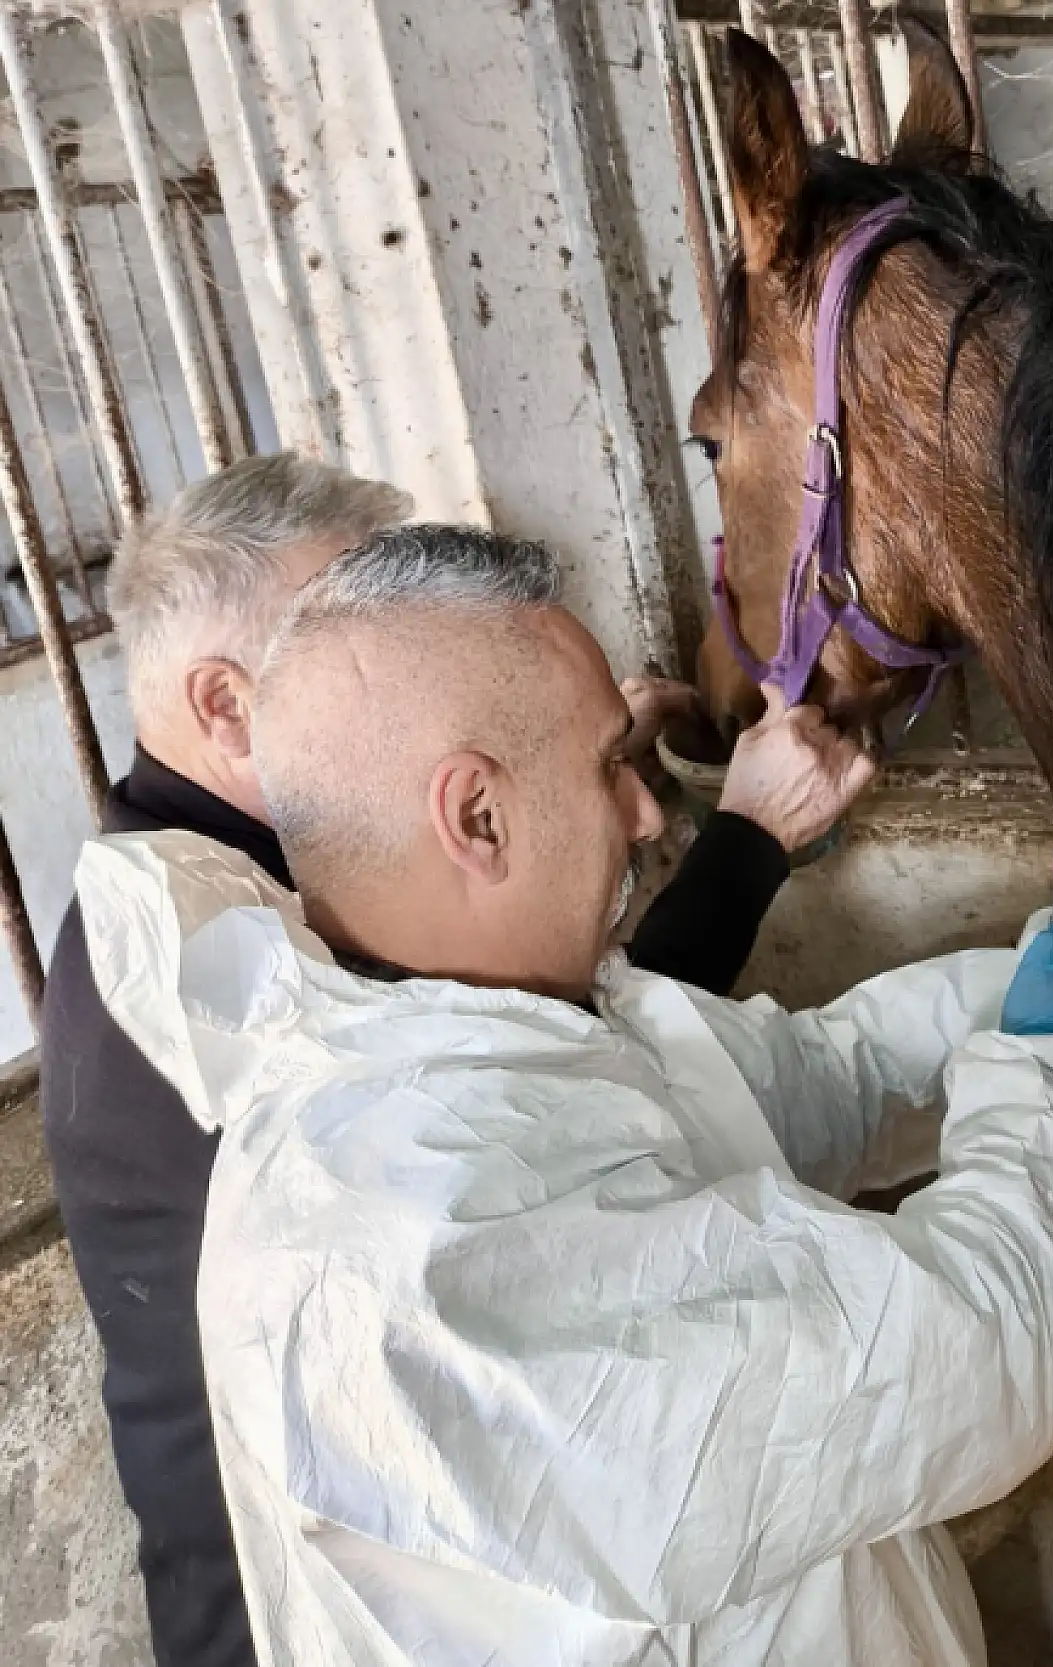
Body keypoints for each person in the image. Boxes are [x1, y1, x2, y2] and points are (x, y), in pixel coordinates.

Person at [73, 523, 1053, 1667]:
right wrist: (1045, 1064)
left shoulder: (493, 1025)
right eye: (607, 766)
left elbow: (797, 1082)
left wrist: (1027, 981)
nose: (645, 814)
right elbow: (973, 1352)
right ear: (475, 815)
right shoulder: (420, 1237)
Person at [38, 464, 855, 1667]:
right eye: (352, 622)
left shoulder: (205, 871)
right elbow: (556, 1063)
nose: (404, 644)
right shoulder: (206, 952)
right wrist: (739, 840)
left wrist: (551, 733)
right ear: (224, 705)